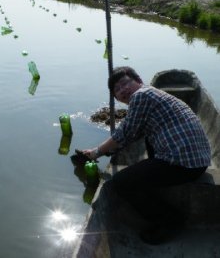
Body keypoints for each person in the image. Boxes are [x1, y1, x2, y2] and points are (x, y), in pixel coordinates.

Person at [82, 66, 211, 245]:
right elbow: (133, 133)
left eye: (124, 83)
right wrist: (110, 149)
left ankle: (171, 220)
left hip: (184, 164)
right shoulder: (152, 95)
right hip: (198, 160)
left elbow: (124, 134)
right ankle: (153, 173)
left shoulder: (142, 95)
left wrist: (97, 152)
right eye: (117, 90)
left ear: (139, 81)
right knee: (147, 134)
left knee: (121, 183)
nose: (122, 90)